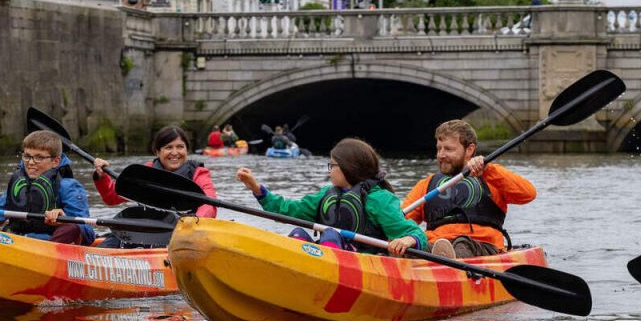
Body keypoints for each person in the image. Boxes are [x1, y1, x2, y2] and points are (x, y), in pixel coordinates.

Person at [235, 138, 426, 256]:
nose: (329, 171)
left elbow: (414, 233)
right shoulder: (324, 196)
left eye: (332, 165)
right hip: (329, 258)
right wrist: (257, 189)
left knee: (330, 233)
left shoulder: (379, 199)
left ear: (349, 168)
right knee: (298, 235)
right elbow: (287, 210)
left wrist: (408, 240)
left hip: (366, 262)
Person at [403, 119, 536, 259]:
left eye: (448, 149)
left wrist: (488, 169)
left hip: (481, 246)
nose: (441, 155)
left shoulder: (492, 177)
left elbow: (528, 194)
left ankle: (447, 263)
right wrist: (407, 240)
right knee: (408, 247)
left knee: (462, 244)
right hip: (436, 246)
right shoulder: (426, 185)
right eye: (439, 148)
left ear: (469, 150)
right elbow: (401, 222)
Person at [92, 125, 217, 247]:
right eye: (168, 147)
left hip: (182, 234)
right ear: (157, 152)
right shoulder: (146, 172)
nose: (175, 153)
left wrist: (194, 222)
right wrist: (102, 176)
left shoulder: (198, 173)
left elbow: (209, 203)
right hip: (142, 230)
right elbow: (111, 198)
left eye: (180, 147)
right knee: (101, 250)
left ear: (186, 150)